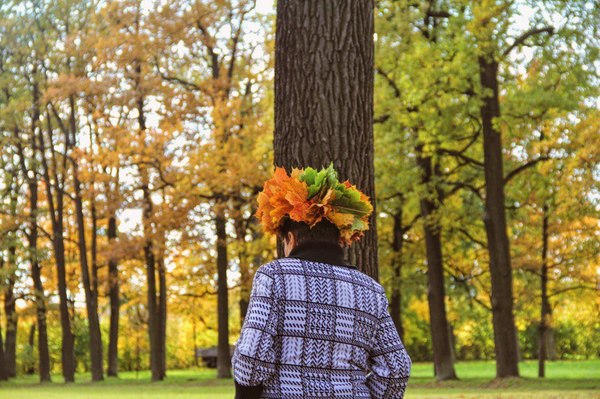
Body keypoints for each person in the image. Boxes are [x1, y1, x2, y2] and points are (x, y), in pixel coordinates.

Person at [232, 165, 411, 399]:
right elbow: (397, 368)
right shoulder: (371, 290)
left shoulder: (275, 276)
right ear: (339, 238)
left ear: (290, 239)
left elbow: (251, 358)